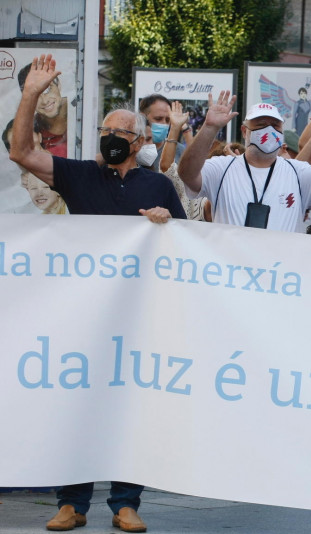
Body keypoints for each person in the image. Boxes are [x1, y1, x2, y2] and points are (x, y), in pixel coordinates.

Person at [10, 54, 186, 534]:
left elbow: (187, 250)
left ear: (139, 141)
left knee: (131, 408)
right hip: (82, 315)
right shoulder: (79, 175)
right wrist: (30, 94)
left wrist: (166, 226)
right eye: (105, 130)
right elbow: (21, 152)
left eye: (120, 133)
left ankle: (126, 502)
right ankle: (72, 502)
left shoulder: (158, 185)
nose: (109, 138)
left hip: (138, 316)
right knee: (77, 405)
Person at [177, 93, 311, 232]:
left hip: (280, 272)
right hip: (231, 271)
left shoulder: (298, 172)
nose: (269, 130)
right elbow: (187, 174)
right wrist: (209, 128)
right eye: (261, 124)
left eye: (275, 125)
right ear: (245, 131)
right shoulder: (222, 168)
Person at [18, 62, 67, 157]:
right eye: (35, 94)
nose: (44, 101)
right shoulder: (31, 131)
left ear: (58, 85)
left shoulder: (80, 111)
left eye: (47, 89)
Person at [138, 94, 193, 172]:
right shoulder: (133, 150)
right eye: (158, 119)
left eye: (167, 120)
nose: (164, 124)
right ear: (143, 117)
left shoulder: (179, 150)